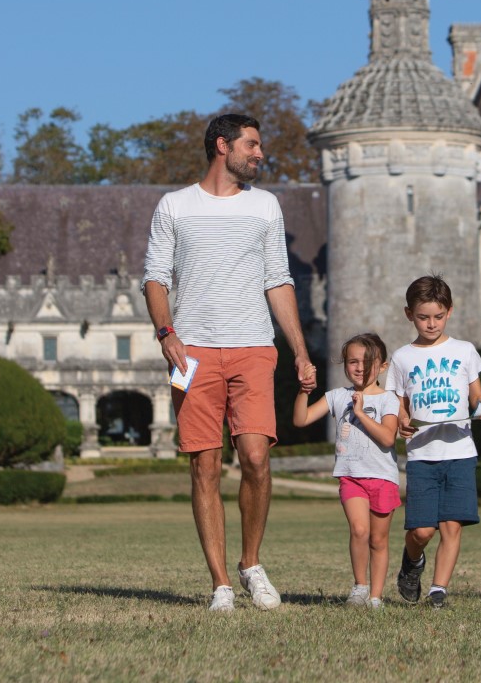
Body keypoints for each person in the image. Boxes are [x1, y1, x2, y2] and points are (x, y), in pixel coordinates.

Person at [142, 112, 317, 613]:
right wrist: (166, 334)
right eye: (253, 145)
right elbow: (155, 278)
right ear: (223, 146)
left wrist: (300, 351)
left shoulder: (265, 206)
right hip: (190, 350)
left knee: (257, 460)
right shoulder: (174, 206)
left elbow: (277, 280)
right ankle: (220, 583)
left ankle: (250, 563)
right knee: (205, 466)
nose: (260, 154)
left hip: (254, 348)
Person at [386, 275, 481, 609]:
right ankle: (412, 562)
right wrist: (402, 423)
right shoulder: (402, 357)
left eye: (437, 316)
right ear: (409, 314)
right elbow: (399, 406)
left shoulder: (465, 351)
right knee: (422, 531)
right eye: (423, 317)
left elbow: (477, 396)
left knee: (452, 525)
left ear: (449, 312)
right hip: (422, 455)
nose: (431, 323)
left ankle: (438, 590)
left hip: (461, 452)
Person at [292, 332, 400, 609]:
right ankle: (359, 588)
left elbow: (388, 439)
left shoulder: (390, 400)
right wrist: (304, 391)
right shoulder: (337, 397)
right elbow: (301, 419)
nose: (360, 367)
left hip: (383, 478)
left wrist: (362, 413)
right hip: (352, 477)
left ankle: (376, 596)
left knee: (379, 539)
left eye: (368, 361)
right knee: (359, 530)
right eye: (353, 361)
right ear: (344, 364)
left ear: (383, 366)